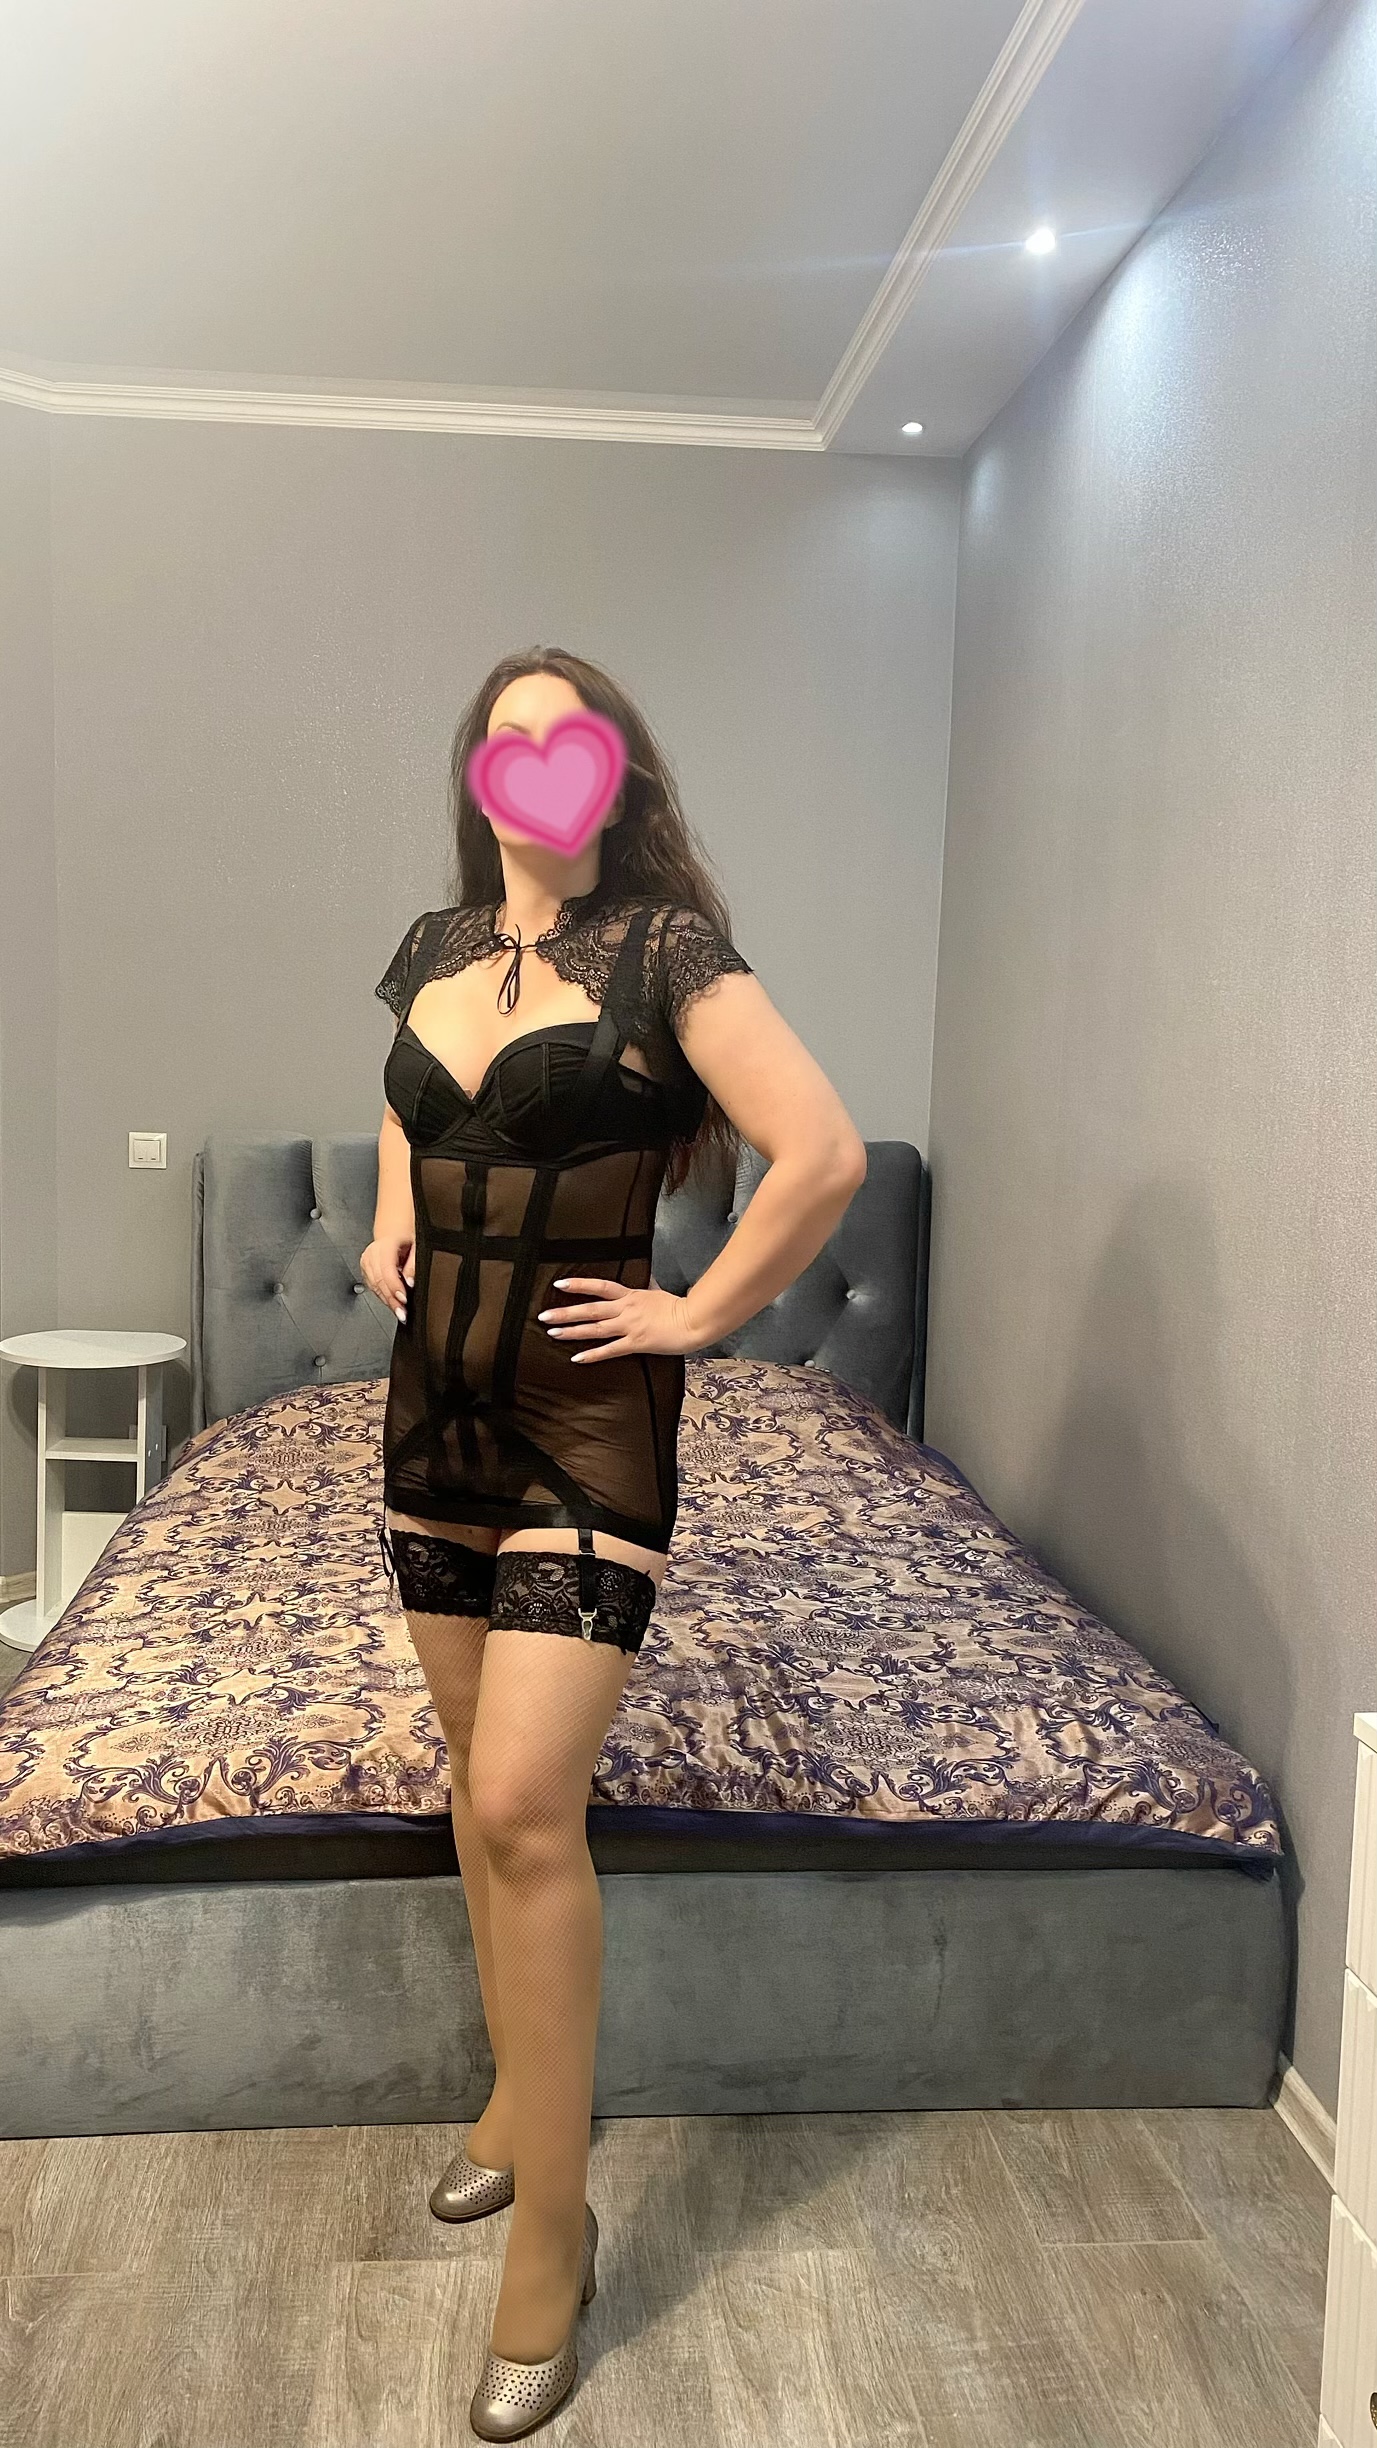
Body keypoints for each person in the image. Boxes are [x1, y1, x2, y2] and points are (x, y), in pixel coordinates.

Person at [363, 644, 866, 2441]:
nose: (532, 759)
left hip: (586, 1423)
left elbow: (820, 1152)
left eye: (562, 736)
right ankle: (517, 2103)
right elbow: (406, 1108)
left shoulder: (667, 954)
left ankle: (551, 2240)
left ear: (614, 772)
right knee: (467, 1785)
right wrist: (384, 1224)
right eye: (502, 738)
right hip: (429, 1416)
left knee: (522, 1804)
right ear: (478, 776)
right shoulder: (432, 948)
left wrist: (699, 1318)